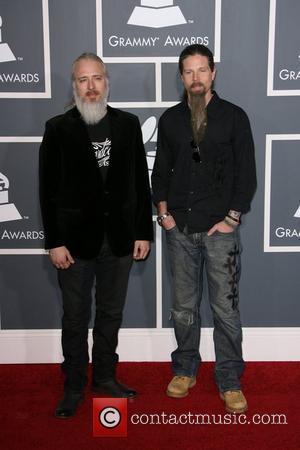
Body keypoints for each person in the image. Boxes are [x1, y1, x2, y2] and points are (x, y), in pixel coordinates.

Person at [39, 52, 153, 418]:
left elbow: (139, 183)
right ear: (75, 85)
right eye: (83, 80)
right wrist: (54, 241)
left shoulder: (128, 124)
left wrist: (142, 231)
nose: (90, 87)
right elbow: (48, 190)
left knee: (110, 313)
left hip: (118, 240)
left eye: (96, 79)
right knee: (74, 317)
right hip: (73, 243)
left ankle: (104, 376)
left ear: (106, 81)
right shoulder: (58, 128)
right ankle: (73, 384)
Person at [151, 44, 256, 413]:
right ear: (182, 77)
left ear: (213, 73)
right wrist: (164, 215)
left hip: (219, 232)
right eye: (188, 72)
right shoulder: (169, 120)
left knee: (224, 309)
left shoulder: (234, 117)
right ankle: (184, 369)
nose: (195, 78)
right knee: (183, 308)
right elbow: (160, 171)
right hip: (179, 229)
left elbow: (247, 175)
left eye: (202, 70)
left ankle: (229, 379)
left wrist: (231, 219)